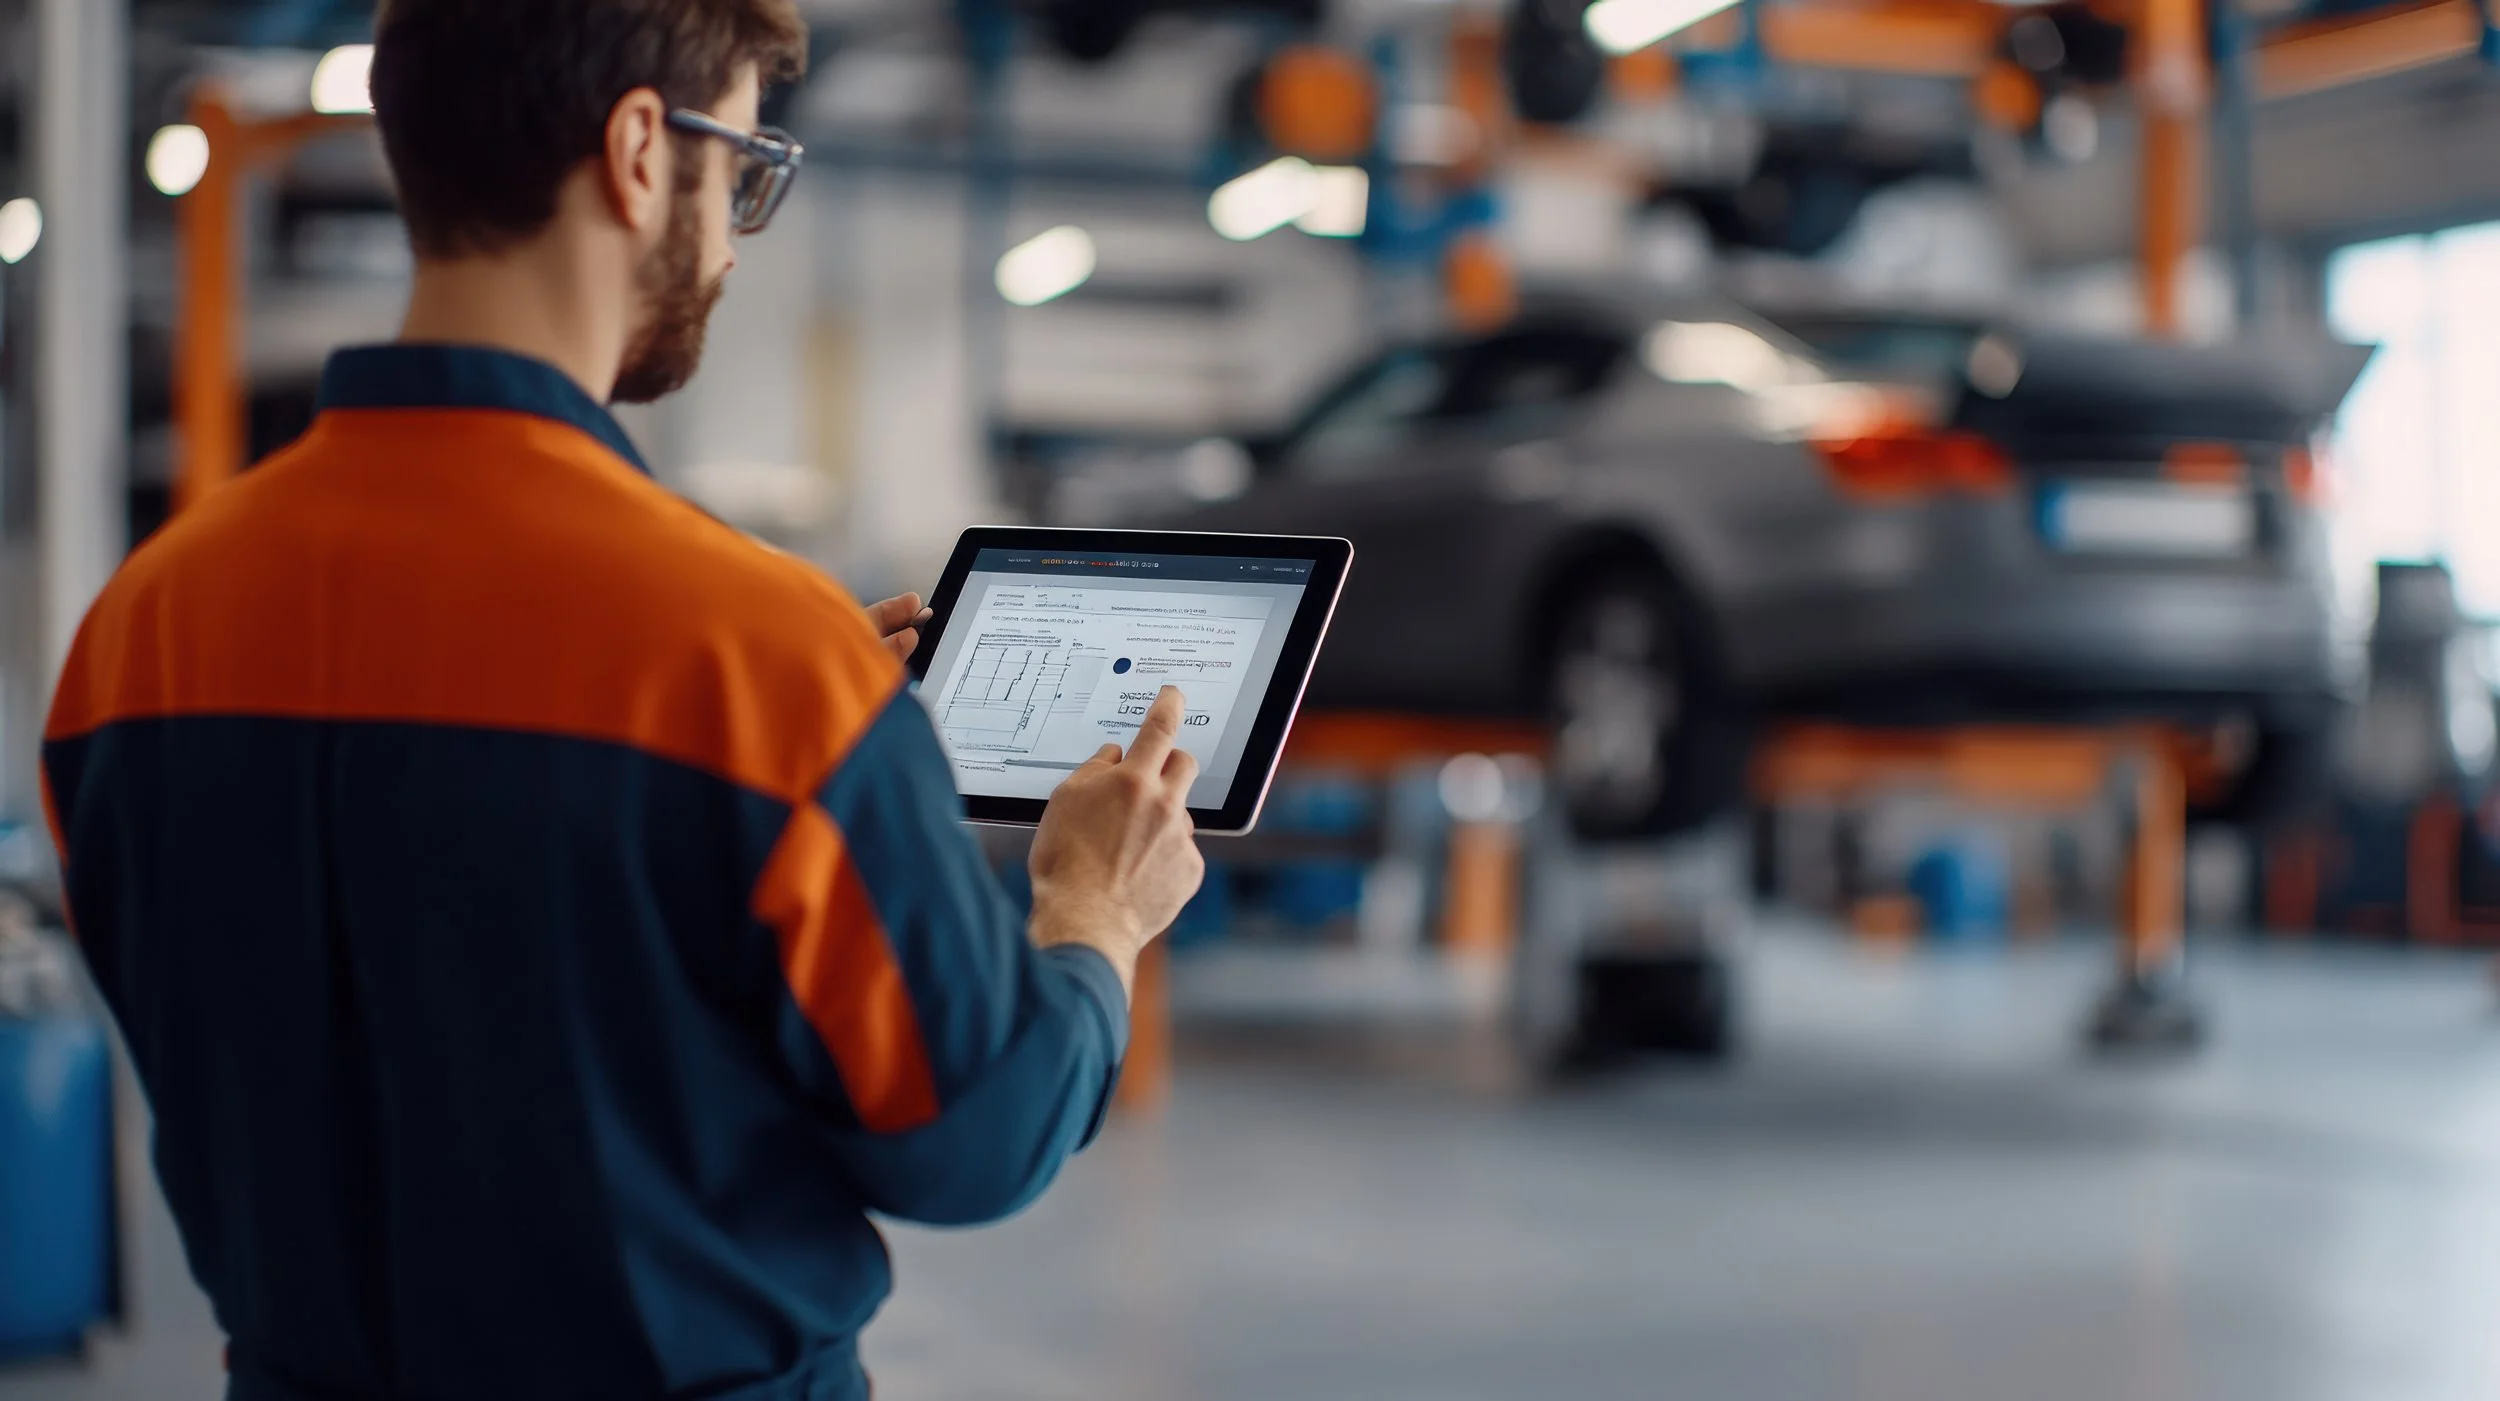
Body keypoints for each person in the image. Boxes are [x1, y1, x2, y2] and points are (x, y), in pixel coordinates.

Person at [37, 1, 1204, 1396]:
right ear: (644, 150)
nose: (727, 237)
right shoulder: (761, 660)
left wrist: (746, 722)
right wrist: (1091, 913)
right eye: (742, 168)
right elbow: (976, 1136)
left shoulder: (143, 629)